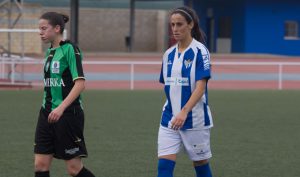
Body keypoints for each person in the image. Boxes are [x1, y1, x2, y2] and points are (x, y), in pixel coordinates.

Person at [34, 12, 95, 177]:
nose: (40, 32)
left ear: (57, 28)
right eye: (39, 29)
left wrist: (60, 108)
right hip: (46, 113)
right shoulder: (49, 53)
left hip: (67, 114)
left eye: (44, 28)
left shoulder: (70, 49)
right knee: (40, 165)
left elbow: (80, 83)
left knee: (74, 169)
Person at [157, 6, 213, 177]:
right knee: (164, 167)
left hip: (194, 119)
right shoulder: (168, 54)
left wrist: (184, 111)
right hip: (170, 117)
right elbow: (168, 85)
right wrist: (176, 111)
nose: (175, 29)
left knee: (201, 164)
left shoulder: (200, 51)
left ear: (191, 24)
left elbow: (200, 87)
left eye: (179, 24)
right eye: (172, 25)